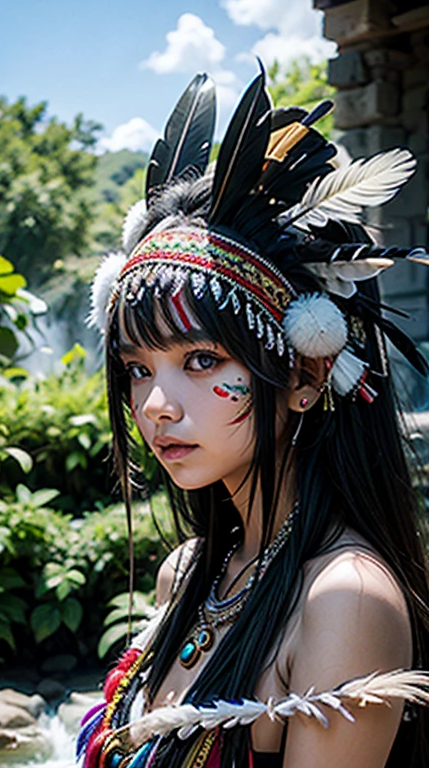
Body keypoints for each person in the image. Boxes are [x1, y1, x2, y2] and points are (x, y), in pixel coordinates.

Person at [78, 67, 429, 768]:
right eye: (140, 368)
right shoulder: (187, 574)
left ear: (304, 374)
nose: (155, 405)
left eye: (201, 360)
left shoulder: (345, 601)